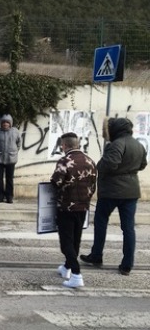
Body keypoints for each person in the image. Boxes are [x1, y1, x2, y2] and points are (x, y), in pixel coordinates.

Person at [81, 117, 147, 276]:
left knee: (101, 221)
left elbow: (110, 164)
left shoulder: (116, 144)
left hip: (112, 191)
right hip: (131, 191)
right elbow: (142, 165)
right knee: (128, 228)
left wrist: (99, 165)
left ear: (116, 129)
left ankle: (97, 255)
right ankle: (127, 264)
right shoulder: (138, 144)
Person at [50, 132, 97, 288]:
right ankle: (67, 267)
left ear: (64, 146)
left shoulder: (65, 161)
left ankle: (76, 274)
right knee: (76, 240)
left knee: (66, 242)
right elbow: (93, 186)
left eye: (62, 145)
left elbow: (55, 182)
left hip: (66, 208)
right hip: (83, 207)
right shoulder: (90, 161)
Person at [0, 114, 21, 203]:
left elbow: (18, 143)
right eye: (4, 122)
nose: (5, 124)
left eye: (7, 122)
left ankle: (9, 196)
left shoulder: (15, 132)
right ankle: (0, 196)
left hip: (11, 159)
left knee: (9, 179)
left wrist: (14, 151)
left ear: (10, 123)